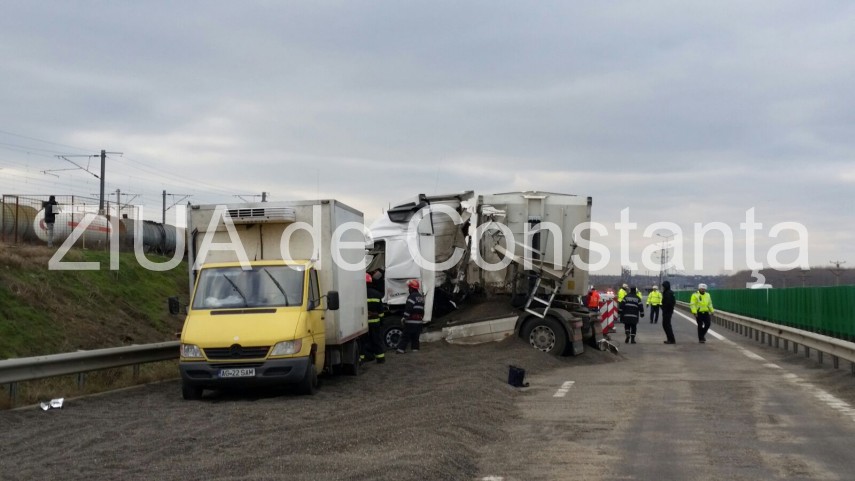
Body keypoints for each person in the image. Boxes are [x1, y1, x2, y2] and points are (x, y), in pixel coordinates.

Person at [396, 279, 425, 353]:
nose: (408, 289)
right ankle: (415, 351)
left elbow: (409, 308)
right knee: (415, 338)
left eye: (409, 288)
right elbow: (422, 310)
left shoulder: (411, 296)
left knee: (405, 337)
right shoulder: (421, 297)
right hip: (419, 322)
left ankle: (400, 350)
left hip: (411, 321)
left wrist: (404, 317)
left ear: (411, 288)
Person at [364, 274, 386, 364]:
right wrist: (381, 321)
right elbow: (381, 311)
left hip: (364, 323)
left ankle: (367, 357)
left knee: (365, 341)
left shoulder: (360, 294)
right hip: (375, 322)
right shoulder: (377, 294)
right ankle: (380, 358)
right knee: (377, 340)